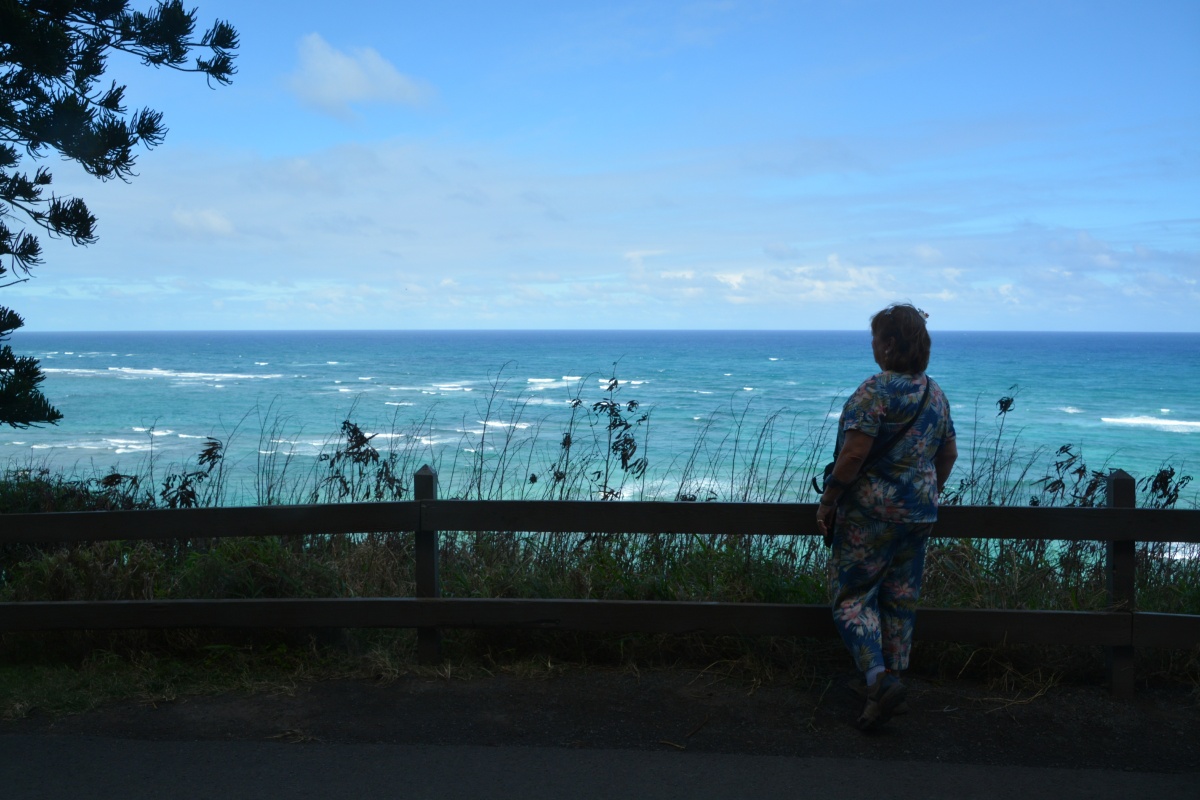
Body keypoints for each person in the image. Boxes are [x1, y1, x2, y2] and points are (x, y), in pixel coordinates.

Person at [815, 303, 957, 731]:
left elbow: (854, 453)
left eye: (876, 338)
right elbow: (947, 454)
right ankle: (888, 689)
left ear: (890, 344)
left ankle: (876, 679)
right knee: (899, 599)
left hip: (870, 515)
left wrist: (828, 501)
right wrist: (923, 492)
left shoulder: (875, 391)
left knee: (851, 599)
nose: (873, 346)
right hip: (919, 513)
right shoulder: (934, 394)